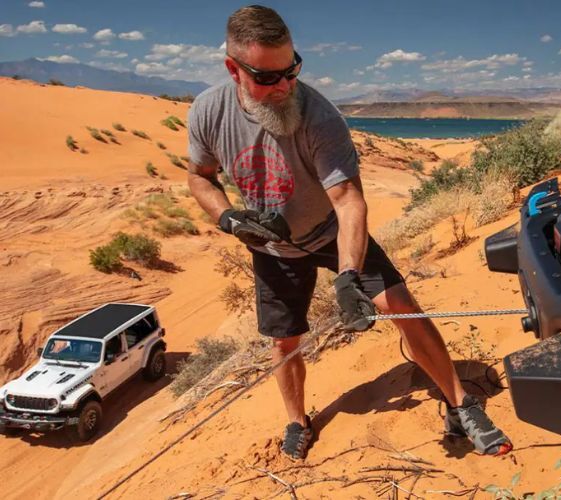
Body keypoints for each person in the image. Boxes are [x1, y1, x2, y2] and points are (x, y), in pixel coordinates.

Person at [187, 4, 510, 460]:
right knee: (284, 341)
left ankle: (460, 403)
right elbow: (200, 176)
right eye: (267, 77)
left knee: (401, 305)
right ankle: (298, 420)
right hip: (273, 245)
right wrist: (227, 218)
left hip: (331, 231)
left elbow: (348, 201)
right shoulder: (207, 111)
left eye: (292, 70)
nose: (284, 86)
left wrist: (348, 276)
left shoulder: (319, 115)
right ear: (232, 69)